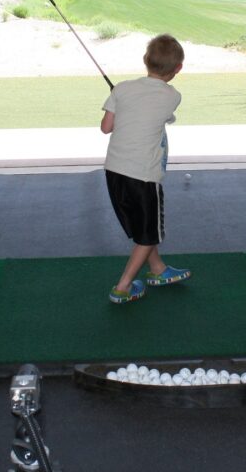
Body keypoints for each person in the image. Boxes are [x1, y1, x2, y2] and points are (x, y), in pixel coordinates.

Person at [100, 34, 191, 304]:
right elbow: (163, 115)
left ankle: (158, 269)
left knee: (142, 228)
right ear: (178, 69)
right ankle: (123, 286)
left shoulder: (121, 89)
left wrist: (118, 97)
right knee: (149, 232)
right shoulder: (173, 96)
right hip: (143, 175)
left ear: (145, 60)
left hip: (114, 170)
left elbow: (106, 127)